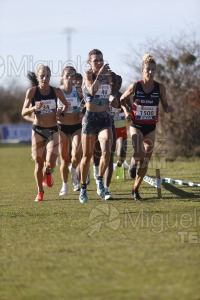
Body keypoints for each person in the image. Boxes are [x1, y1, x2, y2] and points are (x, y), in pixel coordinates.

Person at [120, 54, 174, 200]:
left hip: (150, 126)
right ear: (142, 71)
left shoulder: (160, 88)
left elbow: (165, 104)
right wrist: (126, 111)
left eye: (153, 70)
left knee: (146, 160)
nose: (150, 72)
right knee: (139, 152)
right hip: (136, 124)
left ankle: (135, 189)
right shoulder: (136, 86)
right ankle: (132, 163)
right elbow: (122, 99)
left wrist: (168, 108)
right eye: (148, 69)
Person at [21, 64, 68, 202]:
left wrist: (61, 111)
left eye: (47, 75)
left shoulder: (56, 91)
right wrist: (33, 108)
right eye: (42, 75)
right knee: (38, 162)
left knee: (51, 162)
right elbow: (23, 111)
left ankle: (48, 173)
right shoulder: (32, 92)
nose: (45, 78)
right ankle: (40, 192)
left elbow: (65, 105)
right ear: (37, 77)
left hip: (53, 130)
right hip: (38, 130)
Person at [79, 49, 116, 203]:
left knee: (107, 150)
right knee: (87, 156)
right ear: (90, 63)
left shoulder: (108, 77)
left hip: (105, 117)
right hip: (90, 118)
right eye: (96, 61)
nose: (100, 63)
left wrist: (113, 98)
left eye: (101, 59)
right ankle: (83, 188)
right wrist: (100, 74)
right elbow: (92, 91)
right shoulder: (87, 75)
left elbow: (108, 94)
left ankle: (99, 179)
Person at [57, 66, 82, 196]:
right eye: (67, 75)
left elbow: (85, 105)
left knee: (77, 154)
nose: (69, 78)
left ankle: (73, 171)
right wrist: (57, 113)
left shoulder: (77, 91)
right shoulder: (57, 91)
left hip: (76, 126)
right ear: (62, 76)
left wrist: (82, 112)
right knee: (64, 159)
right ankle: (65, 185)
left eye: (72, 76)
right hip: (62, 127)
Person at [112, 75, 131, 179]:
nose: (117, 85)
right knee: (108, 153)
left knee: (121, 153)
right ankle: (104, 174)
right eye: (115, 83)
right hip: (108, 128)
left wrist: (126, 110)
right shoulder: (105, 96)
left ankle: (119, 166)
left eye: (119, 83)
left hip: (120, 127)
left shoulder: (123, 96)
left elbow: (131, 108)